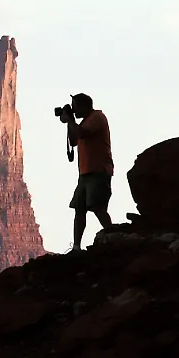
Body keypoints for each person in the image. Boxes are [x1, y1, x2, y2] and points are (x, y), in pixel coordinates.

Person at [63, 93, 113, 251]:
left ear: (84, 105)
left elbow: (81, 133)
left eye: (75, 106)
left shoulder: (97, 117)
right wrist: (69, 122)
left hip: (98, 171)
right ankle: (76, 246)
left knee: (97, 206)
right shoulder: (85, 121)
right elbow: (73, 140)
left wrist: (70, 120)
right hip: (85, 173)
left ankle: (113, 237)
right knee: (79, 209)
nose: (74, 110)